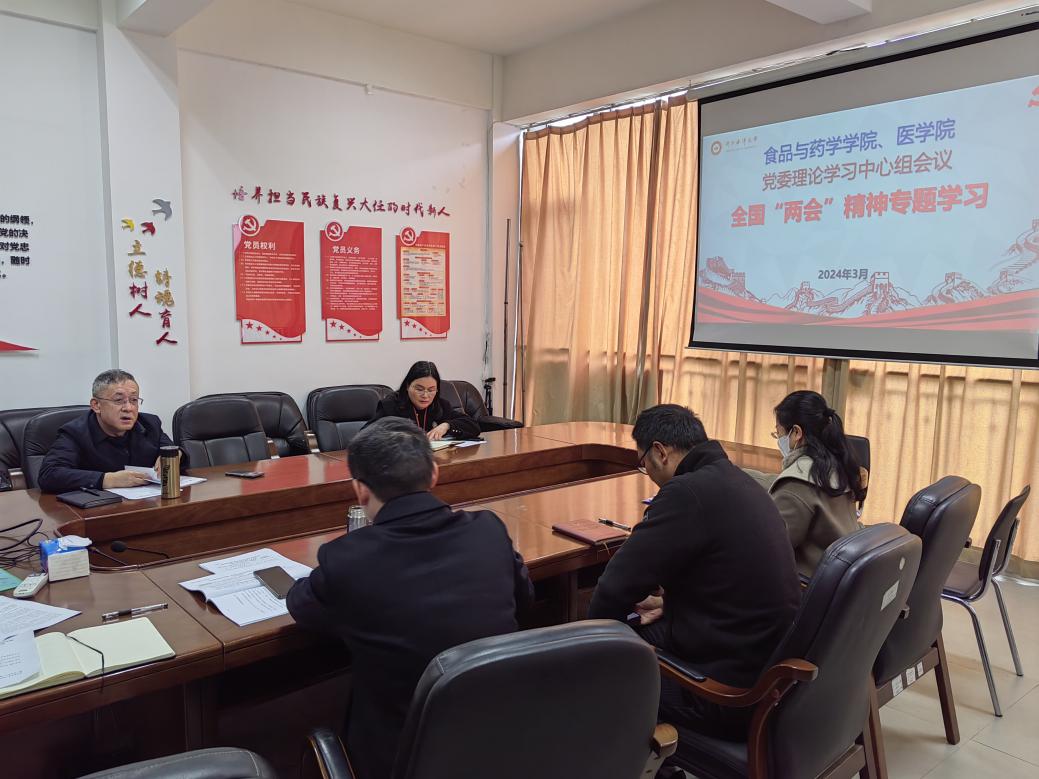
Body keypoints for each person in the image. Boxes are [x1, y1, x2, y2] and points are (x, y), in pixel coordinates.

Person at [287, 417, 533, 779]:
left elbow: (302, 607)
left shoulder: (348, 558)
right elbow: (525, 600)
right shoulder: (488, 530)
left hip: (400, 760)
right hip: (500, 741)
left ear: (360, 490)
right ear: (434, 474)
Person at [588, 404, 800, 741]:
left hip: (724, 693)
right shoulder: (739, 480)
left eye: (643, 463)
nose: (648, 474)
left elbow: (613, 588)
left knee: (590, 665)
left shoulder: (686, 492)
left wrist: (590, 645)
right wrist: (671, 603)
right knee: (634, 632)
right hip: (764, 668)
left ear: (660, 452)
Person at [749, 390, 864, 578]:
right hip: (839, 576)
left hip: (805, 584)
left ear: (796, 432)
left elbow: (767, 549)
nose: (779, 440)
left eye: (778, 433)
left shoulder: (797, 482)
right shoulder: (835, 465)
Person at [37, 369, 181, 494]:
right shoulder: (75, 433)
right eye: (118, 400)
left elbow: (174, 450)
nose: (128, 408)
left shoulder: (150, 424)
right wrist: (108, 479)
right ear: (96, 405)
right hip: (98, 510)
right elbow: (49, 475)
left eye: (134, 400)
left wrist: (175, 456)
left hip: (147, 504)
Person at [368, 360, 480, 440]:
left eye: (431, 390)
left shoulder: (440, 405)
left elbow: (473, 426)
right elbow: (367, 435)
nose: (425, 395)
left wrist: (446, 426)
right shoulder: (390, 405)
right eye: (419, 389)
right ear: (407, 386)